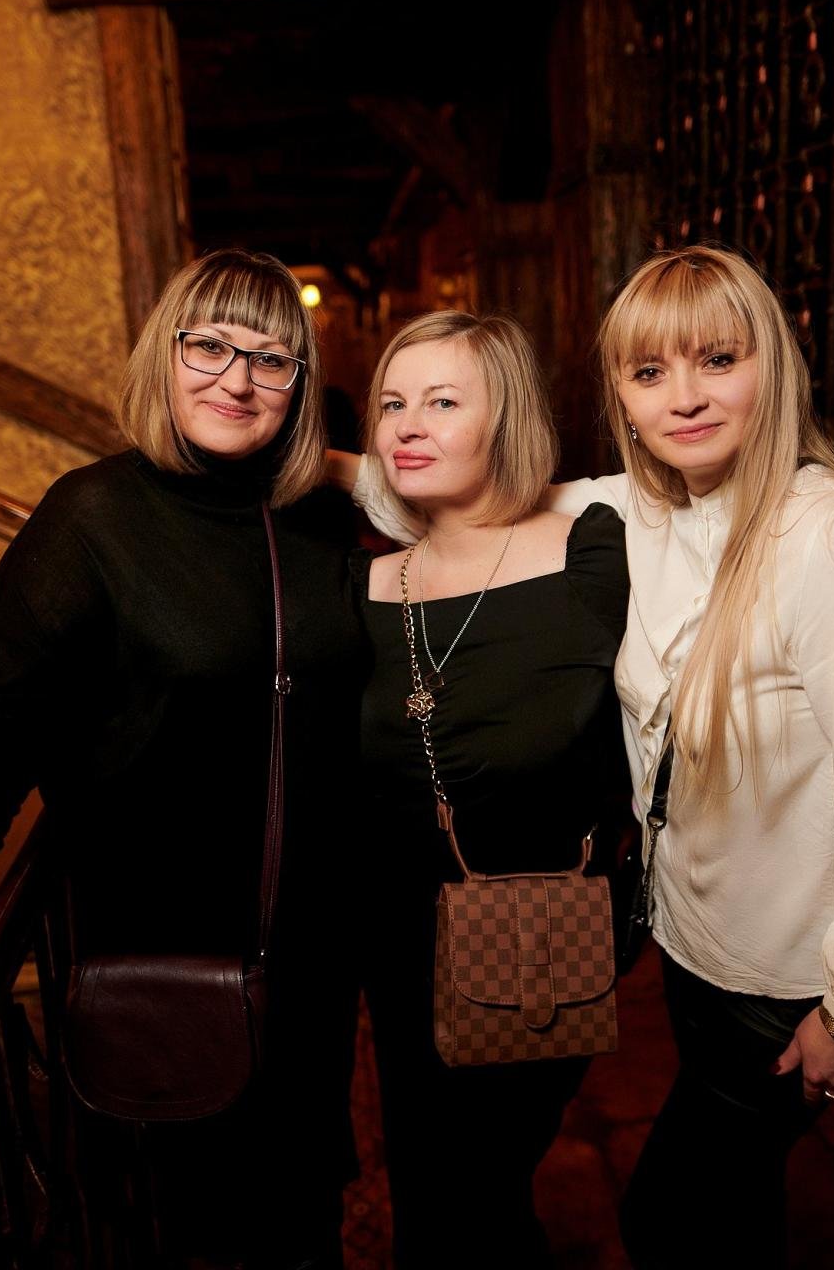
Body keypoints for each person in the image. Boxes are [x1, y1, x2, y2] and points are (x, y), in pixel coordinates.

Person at [350, 246, 834, 1268]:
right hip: (694, 949)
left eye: (717, 359)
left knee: (674, 1220)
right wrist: (291, 457)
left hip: (788, 976)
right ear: (623, 398)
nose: (682, 396)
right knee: (726, 1217)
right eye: (649, 372)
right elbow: (476, 487)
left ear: (773, 366)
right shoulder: (644, 514)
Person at [0, 249, 366, 1268]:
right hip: (166, 965)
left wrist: (353, 466)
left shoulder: (318, 515)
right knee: (193, 1236)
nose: (237, 379)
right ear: (164, 355)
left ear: (300, 384)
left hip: (309, 956)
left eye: (271, 359)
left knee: (306, 1221)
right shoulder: (94, 518)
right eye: (210, 346)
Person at [353, 311, 629, 1268]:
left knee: (484, 1181)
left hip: (543, 922)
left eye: (441, 402)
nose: (407, 425)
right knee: (431, 1194)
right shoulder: (364, 585)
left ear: (505, 418)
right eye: (392, 403)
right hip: (398, 937)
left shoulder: (589, 549)